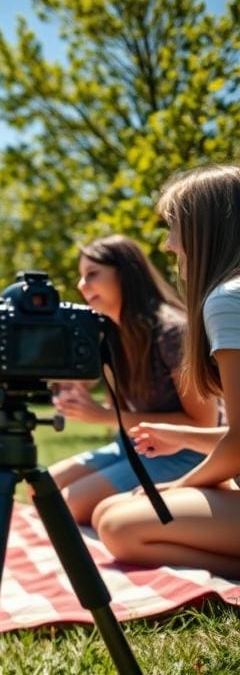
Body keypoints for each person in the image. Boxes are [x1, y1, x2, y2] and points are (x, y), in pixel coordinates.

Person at [94, 166, 240, 579]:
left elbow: (239, 443)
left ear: (203, 230)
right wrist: (184, 436)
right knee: (111, 510)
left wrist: (179, 487)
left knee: (117, 526)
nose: (167, 242)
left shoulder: (226, 301)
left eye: (173, 225)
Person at [48, 235, 218, 525]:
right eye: (81, 276)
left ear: (125, 274)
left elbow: (204, 423)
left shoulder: (173, 332)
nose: (81, 285)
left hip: (187, 452)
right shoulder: (112, 333)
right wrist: (76, 390)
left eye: (92, 274)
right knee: (45, 487)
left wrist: (104, 416)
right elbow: (118, 401)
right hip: (135, 446)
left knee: (68, 504)